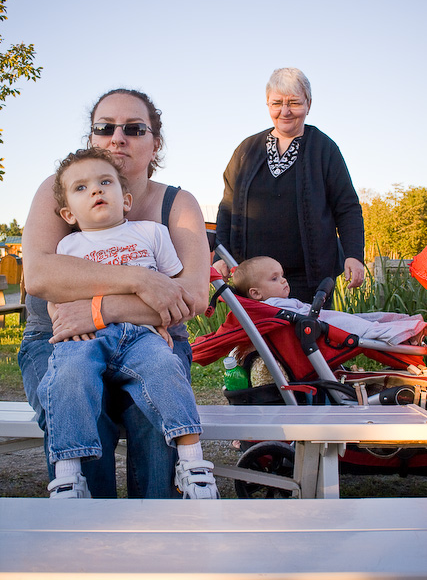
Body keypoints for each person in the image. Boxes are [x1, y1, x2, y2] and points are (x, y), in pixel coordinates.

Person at [19, 88, 211, 498]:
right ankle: (87, 532)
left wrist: (98, 310)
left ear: (155, 142)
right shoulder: (60, 189)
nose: (116, 137)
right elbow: (38, 274)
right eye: (103, 128)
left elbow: (193, 295)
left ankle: (157, 530)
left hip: (150, 338)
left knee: (150, 410)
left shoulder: (175, 205)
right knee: (80, 400)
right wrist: (142, 281)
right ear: (91, 138)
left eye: (134, 128)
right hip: (60, 336)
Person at [214, 67, 365, 306]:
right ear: (267, 104)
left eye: (294, 103)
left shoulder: (324, 149)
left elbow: (347, 208)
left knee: (307, 341)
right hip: (254, 283)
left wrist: (354, 256)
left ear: (309, 104)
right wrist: (221, 255)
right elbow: (227, 208)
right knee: (256, 344)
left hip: (310, 280)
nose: (285, 111)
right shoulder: (246, 150)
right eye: (277, 103)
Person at [233, 256, 427, 346]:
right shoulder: (272, 307)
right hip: (323, 325)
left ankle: (406, 326)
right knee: (366, 327)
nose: (283, 280)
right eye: (274, 278)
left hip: (321, 320)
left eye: (282, 275)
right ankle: (408, 332)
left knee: (366, 319)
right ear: (256, 293)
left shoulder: (274, 305)